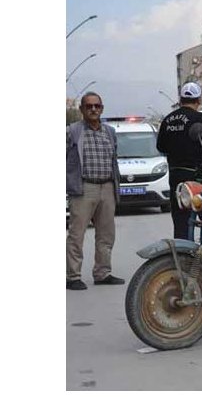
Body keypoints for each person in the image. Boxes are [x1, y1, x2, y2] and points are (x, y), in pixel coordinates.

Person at [66, 92, 125, 290]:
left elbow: (113, 160)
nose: (93, 109)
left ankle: (102, 273)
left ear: (102, 108)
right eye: (89, 106)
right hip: (84, 188)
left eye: (97, 106)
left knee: (106, 235)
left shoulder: (109, 132)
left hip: (107, 187)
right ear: (82, 109)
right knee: (77, 234)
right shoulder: (72, 132)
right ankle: (72, 276)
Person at [156, 82, 202, 239]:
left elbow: (161, 146)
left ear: (181, 99)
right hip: (196, 176)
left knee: (180, 221)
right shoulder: (199, 118)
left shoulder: (168, 119)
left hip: (175, 176)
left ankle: (183, 256)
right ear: (199, 100)